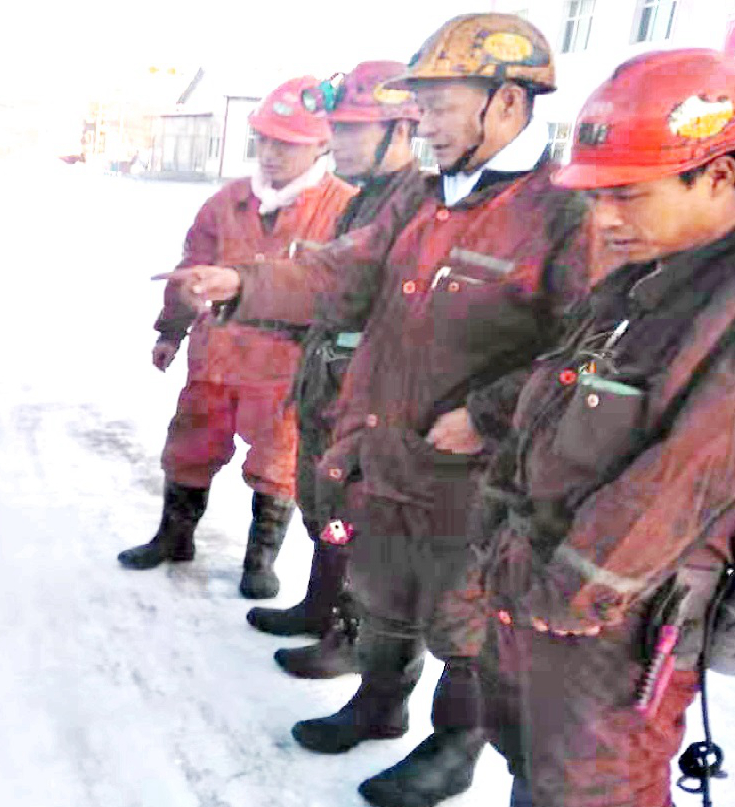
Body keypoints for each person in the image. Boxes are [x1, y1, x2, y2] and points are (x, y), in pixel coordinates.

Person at [158, 14, 597, 807]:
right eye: (419, 106)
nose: (423, 122)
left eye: (440, 105)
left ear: (506, 101)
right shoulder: (425, 198)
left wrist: (490, 414)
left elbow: (587, 351)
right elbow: (341, 273)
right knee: (383, 588)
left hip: (477, 473)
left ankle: (454, 745)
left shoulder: (568, 214)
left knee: (463, 617)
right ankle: (379, 702)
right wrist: (245, 283)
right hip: (388, 445)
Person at [472, 48, 735, 807]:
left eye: (627, 194)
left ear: (718, 174)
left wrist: (572, 589)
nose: (604, 218)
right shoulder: (640, 278)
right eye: (597, 196)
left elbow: (690, 473)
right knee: (534, 763)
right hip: (544, 588)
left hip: (615, 623)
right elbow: (553, 400)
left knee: (595, 788)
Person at [118, 76, 356, 600]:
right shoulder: (226, 203)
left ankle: (259, 561)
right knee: (189, 446)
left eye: (286, 144)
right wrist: (171, 330)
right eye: (264, 140)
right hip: (216, 358)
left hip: (288, 371)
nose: (270, 154)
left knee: (278, 464)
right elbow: (191, 268)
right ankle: (173, 537)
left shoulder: (344, 209)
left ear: (322, 144)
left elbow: (349, 292)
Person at [245, 61, 432, 684]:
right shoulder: (366, 199)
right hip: (332, 379)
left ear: (401, 130)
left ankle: (351, 635)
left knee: (357, 514)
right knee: (323, 502)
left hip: (370, 390)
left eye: (354, 129)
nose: (338, 140)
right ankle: (320, 605)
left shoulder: (416, 203)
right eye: (339, 127)